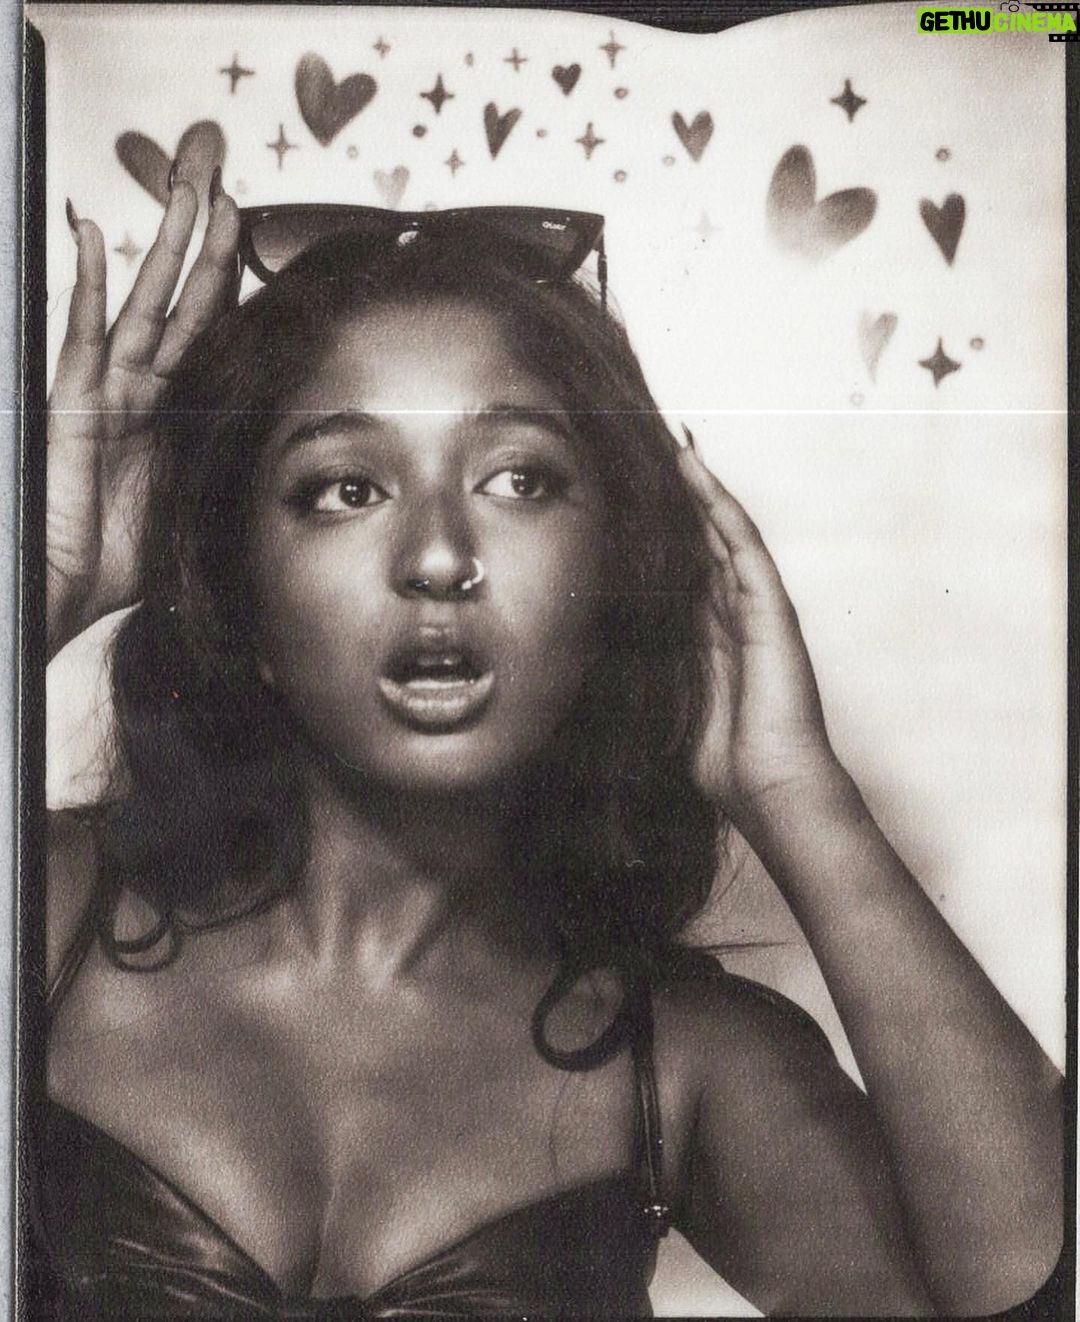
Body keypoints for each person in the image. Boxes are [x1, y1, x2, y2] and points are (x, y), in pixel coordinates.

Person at [39, 173, 1062, 1318]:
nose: (438, 556)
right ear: (240, 596)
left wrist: (794, 786)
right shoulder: (45, 916)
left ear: (610, 572)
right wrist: (37, 588)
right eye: (346, 487)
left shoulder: (685, 1061)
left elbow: (1038, 1292)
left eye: (518, 479)